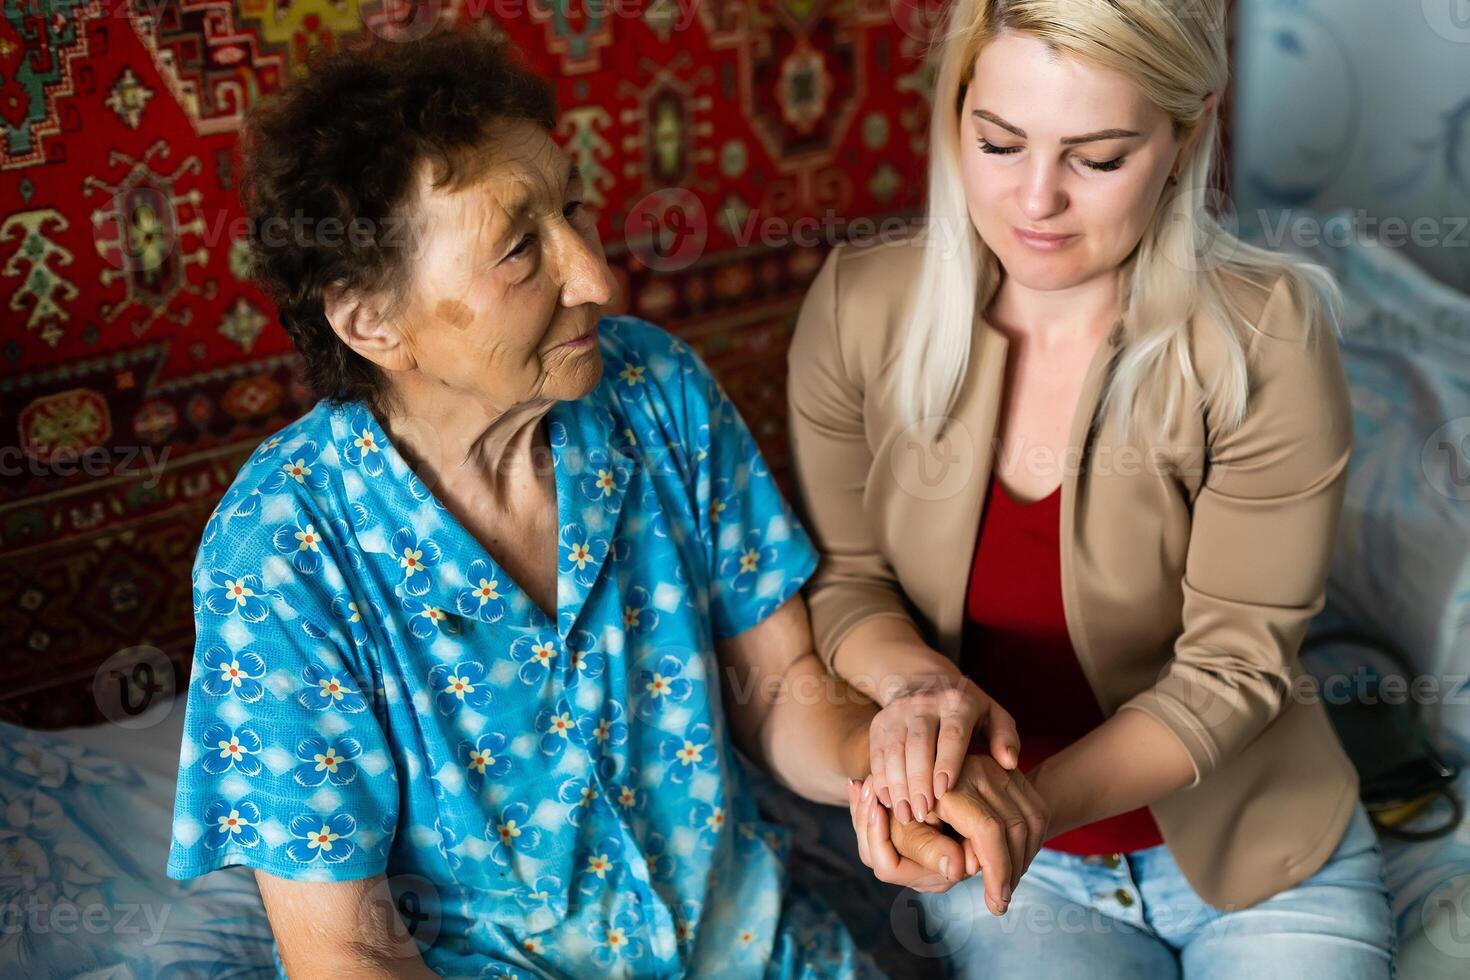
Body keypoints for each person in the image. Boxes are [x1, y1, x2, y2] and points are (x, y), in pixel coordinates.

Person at [165, 24, 1042, 979]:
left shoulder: (655, 388)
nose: (596, 276)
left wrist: (892, 765)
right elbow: (346, 952)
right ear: (372, 320)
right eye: (517, 252)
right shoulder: (282, 553)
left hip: (758, 953)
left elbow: (784, 694)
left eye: (573, 212)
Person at [789, 1, 1396, 977]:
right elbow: (847, 579)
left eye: (1097, 158)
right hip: (1020, 878)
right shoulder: (860, 307)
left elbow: (1235, 663)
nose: (1035, 200)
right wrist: (916, 686)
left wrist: (1028, 803)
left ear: (1183, 134)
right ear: (956, 116)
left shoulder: (1266, 335)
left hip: (1256, 848)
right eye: (998, 142)